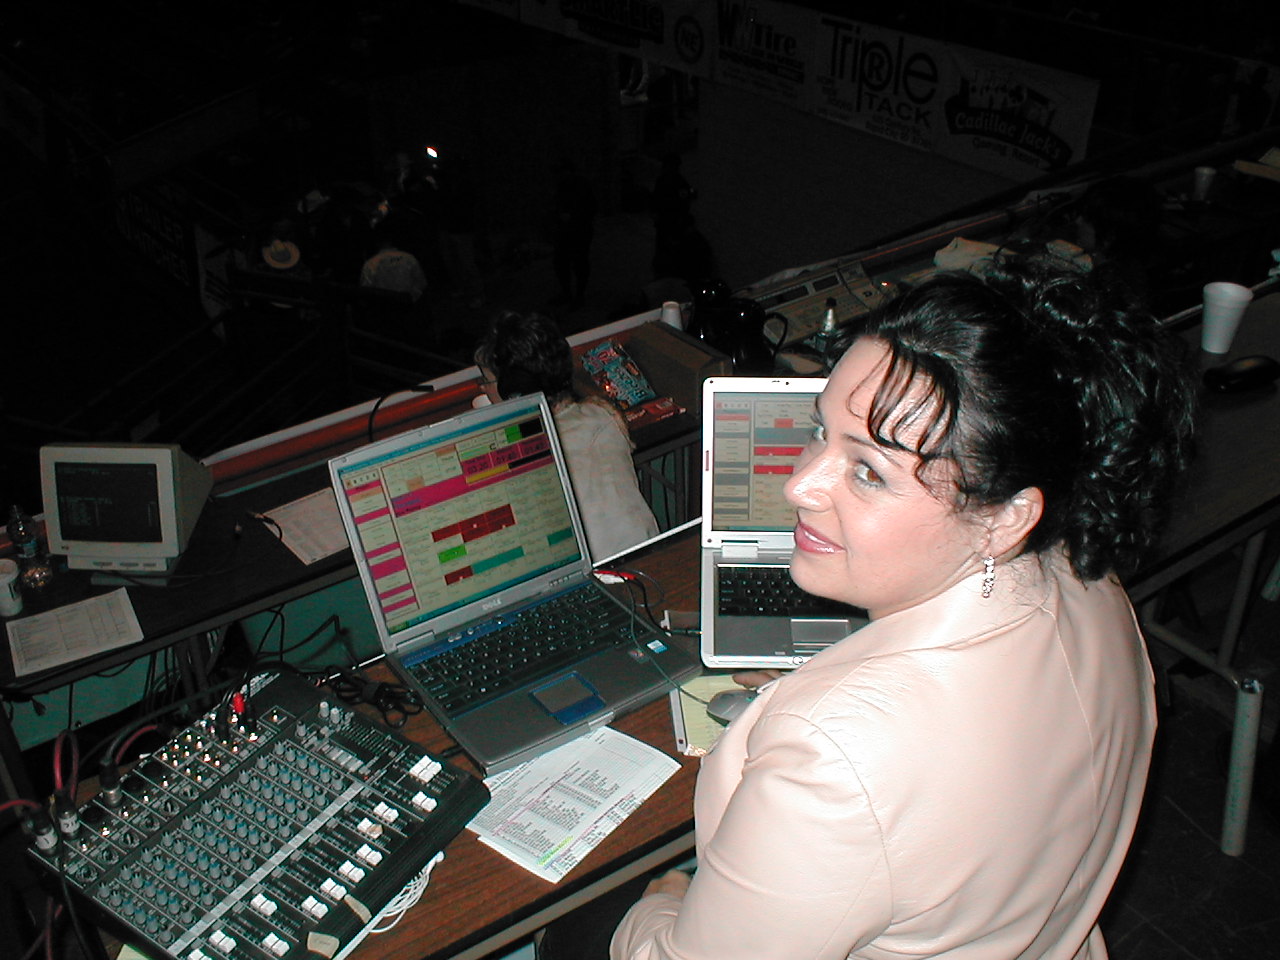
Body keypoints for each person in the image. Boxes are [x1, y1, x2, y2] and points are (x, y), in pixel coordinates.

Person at [546, 259, 1196, 960]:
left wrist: (662, 901)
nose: (799, 484)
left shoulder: (833, 758)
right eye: (819, 430)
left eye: (868, 471)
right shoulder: (1090, 581)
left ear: (1006, 518)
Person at [474, 311, 659, 562]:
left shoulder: (526, 449)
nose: (482, 388)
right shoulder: (602, 414)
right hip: (650, 556)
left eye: (486, 380)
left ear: (514, 389)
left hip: (594, 575)